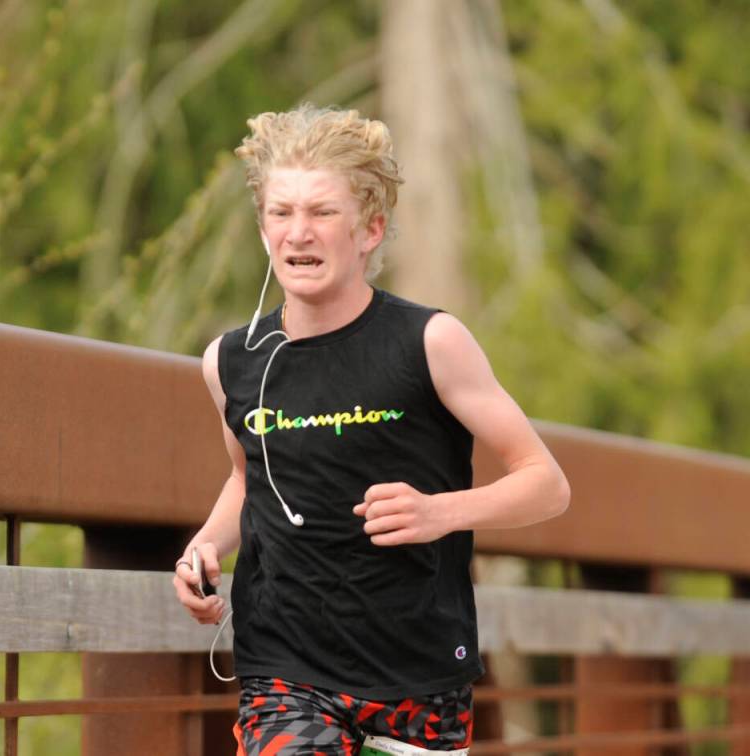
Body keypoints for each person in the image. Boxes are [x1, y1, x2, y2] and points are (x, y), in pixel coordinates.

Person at [173, 104, 570, 755]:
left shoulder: (430, 342)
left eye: (322, 212)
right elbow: (249, 479)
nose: (299, 233)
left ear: (370, 229)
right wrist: (205, 548)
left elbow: (546, 485)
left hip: (417, 673)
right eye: (282, 212)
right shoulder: (232, 361)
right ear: (263, 228)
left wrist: (440, 511)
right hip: (285, 667)